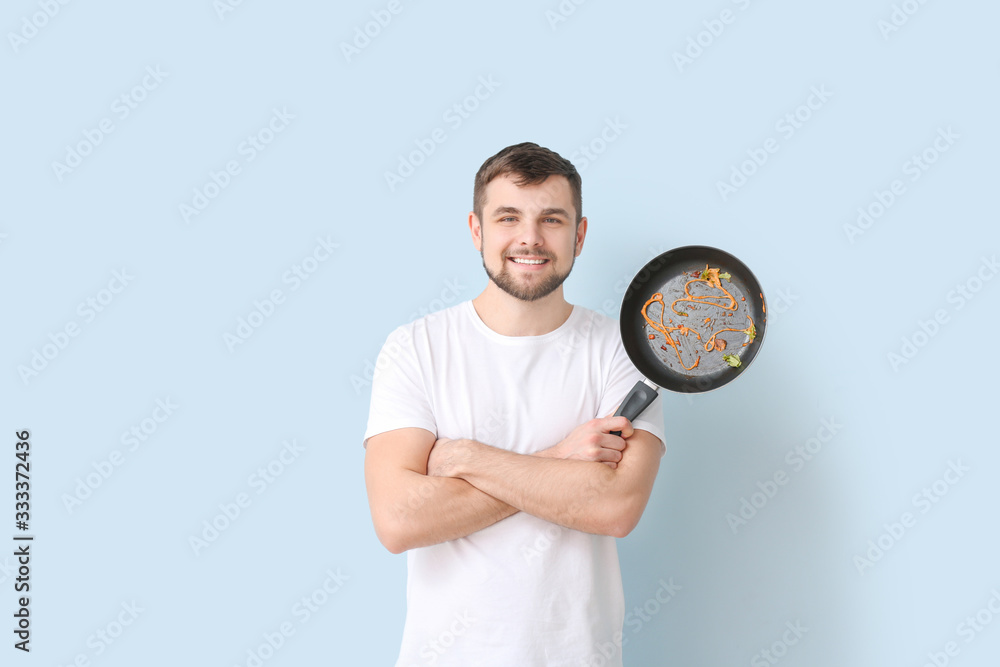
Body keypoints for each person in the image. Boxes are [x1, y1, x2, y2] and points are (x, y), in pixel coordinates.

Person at [363, 142, 665, 667]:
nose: (530, 238)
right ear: (477, 230)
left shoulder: (623, 350)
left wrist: (465, 459)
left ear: (580, 234)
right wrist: (559, 460)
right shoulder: (415, 348)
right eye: (508, 217)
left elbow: (615, 508)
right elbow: (398, 520)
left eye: (552, 218)